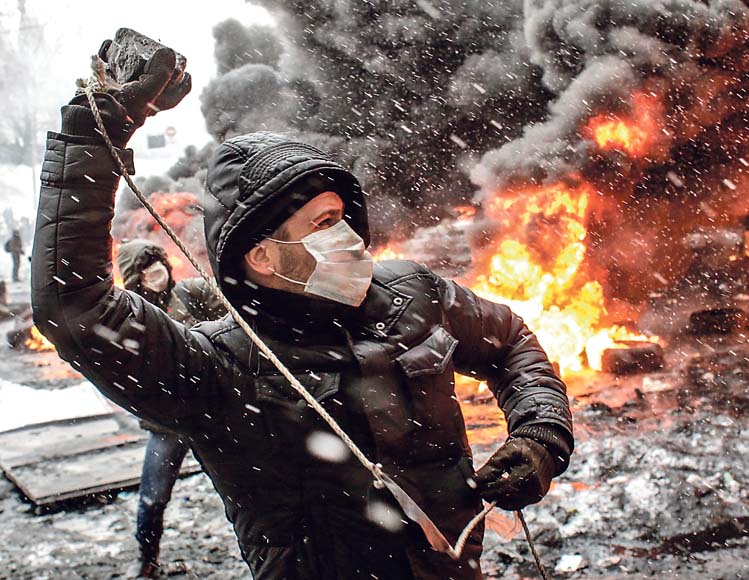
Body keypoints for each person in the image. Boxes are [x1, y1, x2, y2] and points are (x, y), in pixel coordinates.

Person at [32, 45, 573, 579]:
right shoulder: (218, 366)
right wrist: (93, 132)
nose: (348, 237)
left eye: (340, 216)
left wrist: (541, 434)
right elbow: (73, 306)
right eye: (320, 225)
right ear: (262, 256)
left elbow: (511, 342)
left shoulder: (412, 292)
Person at [116, 239, 226, 578]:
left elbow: (231, 323)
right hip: (169, 423)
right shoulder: (131, 316)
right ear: (137, 279)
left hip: (214, 410)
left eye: (159, 265)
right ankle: (147, 558)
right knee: (153, 496)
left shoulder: (193, 293)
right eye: (148, 271)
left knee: (243, 488)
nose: (157, 274)